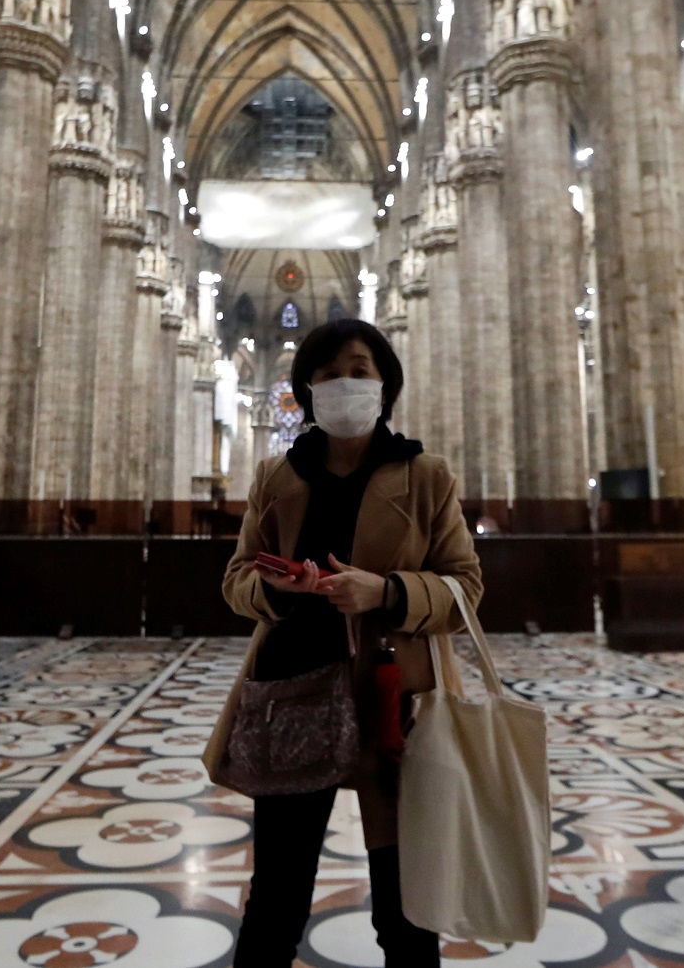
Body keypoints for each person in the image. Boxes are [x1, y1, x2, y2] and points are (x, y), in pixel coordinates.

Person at [203, 319, 483, 967]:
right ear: (305, 389)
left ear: (385, 382)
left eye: (359, 370)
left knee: (406, 910)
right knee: (275, 902)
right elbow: (237, 579)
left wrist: (385, 592)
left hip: (393, 701)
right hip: (293, 692)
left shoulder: (425, 475)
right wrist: (281, 590)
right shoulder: (277, 476)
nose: (344, 384)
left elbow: (466, 589)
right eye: (327, 374)